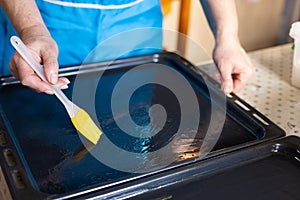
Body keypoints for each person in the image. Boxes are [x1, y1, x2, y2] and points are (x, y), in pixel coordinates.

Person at [0, 0, 254, 95]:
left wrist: (228, 37)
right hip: (43, 22)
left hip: (136, 29)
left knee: (132, 118)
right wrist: (32, 30)